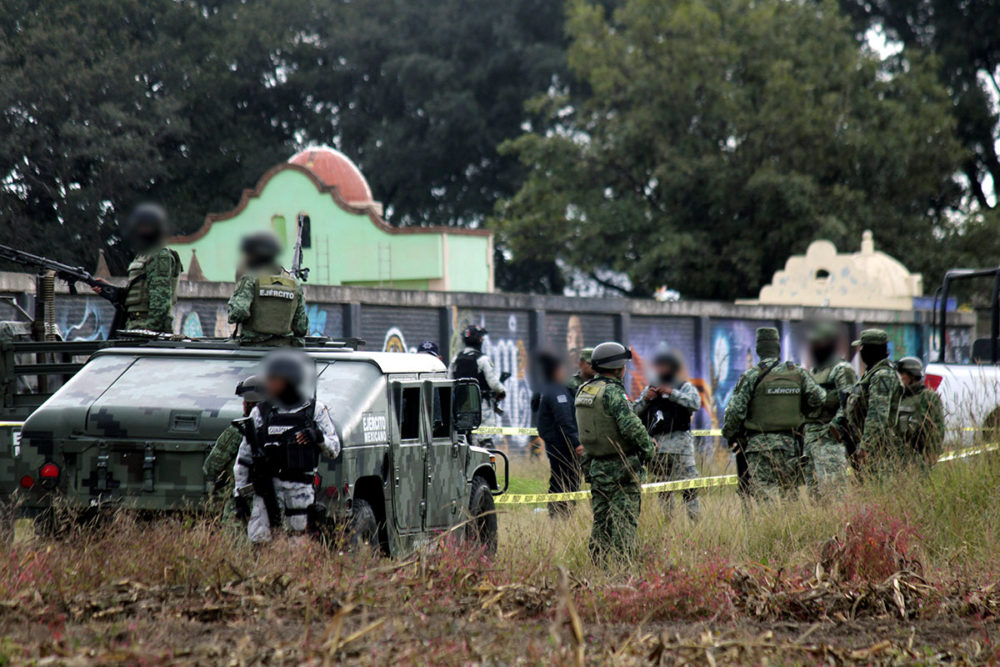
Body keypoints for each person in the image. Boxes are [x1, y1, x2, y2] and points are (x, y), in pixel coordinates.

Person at [233, 351, 341, 543]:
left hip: (300, 493)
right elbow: (244, 458)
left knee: (298, 546)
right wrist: (239, 494)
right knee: (260, 543)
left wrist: (317, 437)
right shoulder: (261, 412)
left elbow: (334, 449)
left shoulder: (314, 410)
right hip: (267, 491)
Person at [722, 328, 826, 501]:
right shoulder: (797, 373)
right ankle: (790, 527)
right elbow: (819, 398)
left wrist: (730, 434)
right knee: (790, 497)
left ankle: (769, 527)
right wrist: (802, 414)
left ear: (758, 349)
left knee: (764, 498)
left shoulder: (751, 376)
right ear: (777, 347)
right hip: (790, 446)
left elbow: (735, 412)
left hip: (758, 448)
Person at [575, 341, 655, 563]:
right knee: (624, 522)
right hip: (622, 468)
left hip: (596, 467)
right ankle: (623, 570)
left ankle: (597, 566)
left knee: (601, 521)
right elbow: (631, 426)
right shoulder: (613, 392)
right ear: (619, 367)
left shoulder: (585, 390)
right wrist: (649, 449)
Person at [631, 344, 702, 520]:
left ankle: (695, 521)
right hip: (659, 449)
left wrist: (672, 393)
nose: (661, 369)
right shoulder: (650, 389)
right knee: (663, 489)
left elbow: (695, 403)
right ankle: (667, 522)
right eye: (659, 366)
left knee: (689, 486)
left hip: (681, 448)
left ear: (672, 367)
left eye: (665, 366)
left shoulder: (684, 387)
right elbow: (633, 412)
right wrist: (646, 400)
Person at [91, 202, 182, 334]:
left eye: (143, 226)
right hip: (134, 325)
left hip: (147, 329)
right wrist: (108, 290)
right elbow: (137, 294)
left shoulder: (159, 255)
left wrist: (150, 331)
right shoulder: (143, 255)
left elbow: (161, 300)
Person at [830, 329, 904, 476]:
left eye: (862, 348)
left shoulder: (883, 375)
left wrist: (866, 447)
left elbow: (877, 414)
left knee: (877, 491)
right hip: (863, 446)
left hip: (877, 451)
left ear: (871, 350)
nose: (861, 352)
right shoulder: (871, 373)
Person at [802, 323, 857, 495]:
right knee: (815, 494)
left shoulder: (841, 369)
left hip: (829, 439)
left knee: (833, 494)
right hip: (811, 437)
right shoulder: (813, 371)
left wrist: (834, 427)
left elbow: (849, 402)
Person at [227, 231, 308, 347]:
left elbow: (239, 312)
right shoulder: (294, 283)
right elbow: (301, 327)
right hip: (285, 352)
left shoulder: (251, 279)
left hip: (253, 351)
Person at [203, 375, 266, 523]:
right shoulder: (279, 428)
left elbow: (210, 467)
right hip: (274, 504)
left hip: (241, 505)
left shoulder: (237, 431)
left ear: (247, 404)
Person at [534, 350, 582, 518]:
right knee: (567, 481)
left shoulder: (549, 389)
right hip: (563, 446)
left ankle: (558, 515)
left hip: (557, 444)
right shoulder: (557, 392)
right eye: (562, 369)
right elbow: (565, 420)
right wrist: (576, 443)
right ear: (555, 371)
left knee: (559, 480)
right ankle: (561, 516)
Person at [449, 325, 506, 446]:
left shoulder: (456, 359)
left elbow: (449, 381)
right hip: (482, 404)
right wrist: (502, 391)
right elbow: (493, 383)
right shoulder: (483, 359)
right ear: (479, 340)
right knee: (485, 438)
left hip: (460, 406)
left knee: (468, 439)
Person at [896, 356, 945, 469]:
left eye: (902, 374)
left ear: (912, 375)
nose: (900, 378)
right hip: (898, 461)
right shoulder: (898, 397)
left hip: (919, 461)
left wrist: (931, 456)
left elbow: (938, 430)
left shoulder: (928, 397)